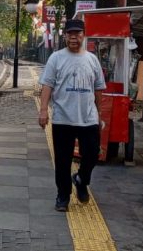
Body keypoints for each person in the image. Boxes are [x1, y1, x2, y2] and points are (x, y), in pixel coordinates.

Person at [37, 19, 106, 212]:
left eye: (77, 33)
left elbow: (99, 88)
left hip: (88, 119)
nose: (74, 37)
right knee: (62, 160)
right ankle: (63, 196)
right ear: (65, 36)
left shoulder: (92, 60)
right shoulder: (56, 58)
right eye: (70, 34)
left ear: (84, 35)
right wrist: (43, 110)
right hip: (62, 119)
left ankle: (81, 180)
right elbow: (47, 85)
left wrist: (99, 114)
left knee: (92, 154)